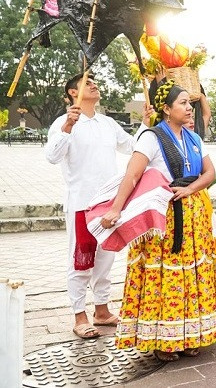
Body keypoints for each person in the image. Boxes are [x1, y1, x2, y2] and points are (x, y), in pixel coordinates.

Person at [99, 80, 216, 361]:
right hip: (162, 216)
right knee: (165, 274)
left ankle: (190, 335)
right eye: (183, 103)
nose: (189, 108)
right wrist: (116, 208)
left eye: (190, 103)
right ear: (166, 109)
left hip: (193, 216)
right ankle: (163, 340)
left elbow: (210, 173)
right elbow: (133, 174)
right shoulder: (151, 138)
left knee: (192, 274)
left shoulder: (194, 138)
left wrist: (190, 189)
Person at [45, 73, 150, 339]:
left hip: (109, 202)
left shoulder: (107, 123)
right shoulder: (63, 122)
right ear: (73, 93)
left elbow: (133, 146)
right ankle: (79, 315)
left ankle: (101, 310)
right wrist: (68, 126)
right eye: (87, 83)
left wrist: (145, 124)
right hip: (81, 202)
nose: (94, 85)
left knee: (106, 257)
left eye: (94, 82)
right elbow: (52, 156)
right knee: (81, 260)